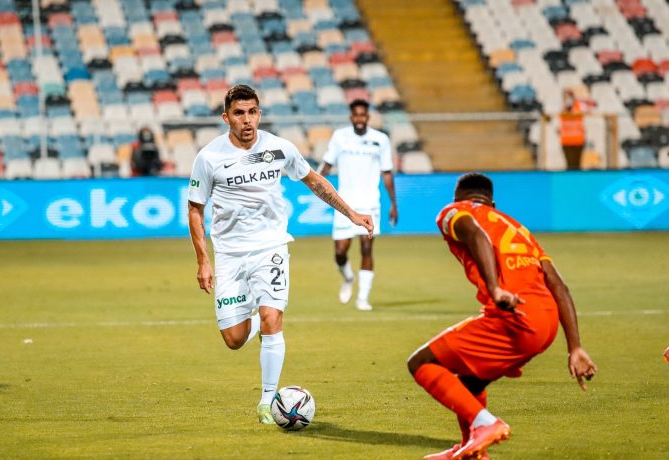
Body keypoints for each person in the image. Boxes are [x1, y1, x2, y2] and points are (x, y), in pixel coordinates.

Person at [188, 85, 373, 424]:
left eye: (253, 112)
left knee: (274, 319)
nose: (247, 120)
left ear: (259, 113)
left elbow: (315, 182)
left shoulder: (278, 148)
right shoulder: (209, 157)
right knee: (234, 339)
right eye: (240, 113)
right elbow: (195, 209)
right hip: (229, 254)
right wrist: (203, 260)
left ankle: (267, 401)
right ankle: (256, 319)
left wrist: (352, 214)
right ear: (226, 117)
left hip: (271, 247)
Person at [406, 173, 597, 460]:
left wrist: (495, 288)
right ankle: (472, 449)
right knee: (470, 381)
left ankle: (486, 425)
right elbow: (558, 284)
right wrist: (575, 347)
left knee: (421, 363)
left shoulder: (455, 212)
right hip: (546, 322)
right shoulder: (519, 229)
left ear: (458, 198)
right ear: (492, 203)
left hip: (515, 316)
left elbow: (475, 234)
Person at [319, 99, 398, 311]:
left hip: (370, 203)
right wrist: (315, 183)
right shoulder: (340, 137)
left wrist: (393, 203)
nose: (360, 119)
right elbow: (326, 165)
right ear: (351, 117)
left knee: (366, 248)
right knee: (340, 252)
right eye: (356, 115)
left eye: (363, 115)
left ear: (368, 117)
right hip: (344, 204)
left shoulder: (380, 140)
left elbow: (387, 173)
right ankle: (347, 277)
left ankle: (363, 298)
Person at [559, 88, 586, 170]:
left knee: (577, 165)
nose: (568, 99)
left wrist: (574, 104)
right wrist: (566, 106)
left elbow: (585, 111)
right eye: (566, 97)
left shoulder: (578, 106)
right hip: (567, 141)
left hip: (578, 141)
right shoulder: (562, 108)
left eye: (569, 96)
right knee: (570, 166)